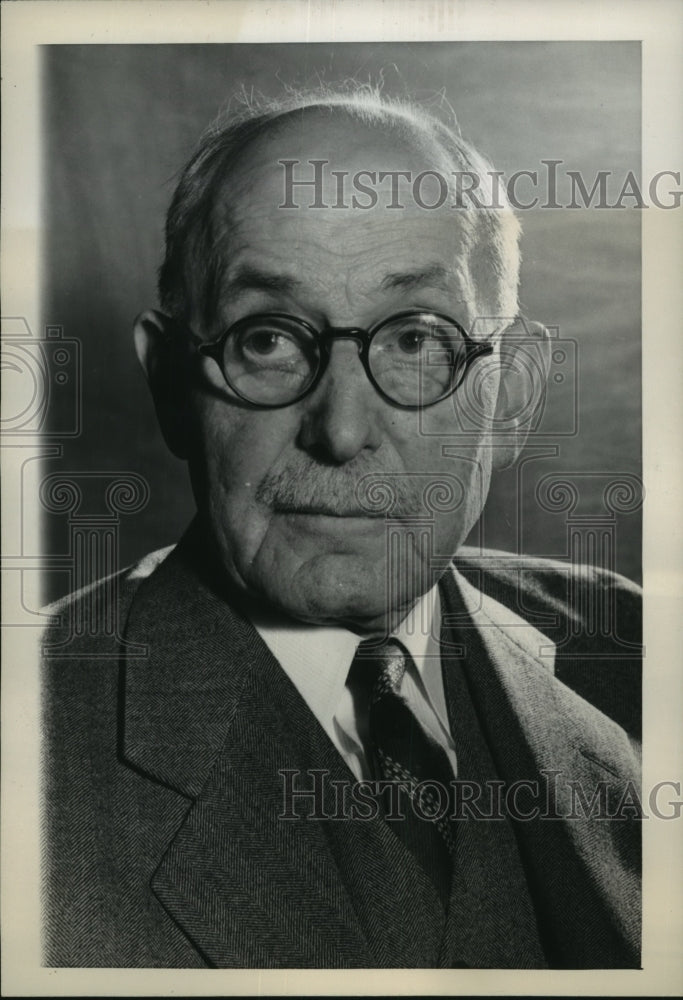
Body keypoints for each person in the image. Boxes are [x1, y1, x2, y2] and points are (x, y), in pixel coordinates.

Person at [41, 88, 641, 969]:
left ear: (512, 393)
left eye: (413, 340)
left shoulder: (629, 651)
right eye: (268, 339)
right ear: (171, 383)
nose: (342, 430)